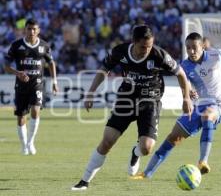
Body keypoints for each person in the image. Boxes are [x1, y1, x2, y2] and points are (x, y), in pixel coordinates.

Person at [71, 25, 193, 190]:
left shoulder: (159, 55)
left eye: (150, 46)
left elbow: (181, 74)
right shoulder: (119, 52)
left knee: (146, 148)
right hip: (126, 99)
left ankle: (136, 153)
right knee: (107, 141)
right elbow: (103, 70)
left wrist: (186, 98)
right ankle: (84, 181)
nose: (147, 50)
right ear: (134, 42)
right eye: (143, 46)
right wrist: (91, 92)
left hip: (150, 101)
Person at [130, 32, 221, 179]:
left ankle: (203, 162)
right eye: (188, 48)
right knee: (173, 137)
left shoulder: (217, 55)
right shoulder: (185, 65)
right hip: (198, 106)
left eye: (194, 47)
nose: (191, 51)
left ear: (202, 46)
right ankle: (146, 173)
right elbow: (184, 81)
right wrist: (189, 92)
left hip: (218, 105)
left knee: (208, 115)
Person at [4, 18, 58, 155]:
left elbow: (51, 63)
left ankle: (30, 142)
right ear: (25, 29)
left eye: (35, 29)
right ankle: (23, 145)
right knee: (21, 117)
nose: (32, 31)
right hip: (21, 87)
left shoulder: (44, 46)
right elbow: (6, 66)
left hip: (37, 84)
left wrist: (54, 82)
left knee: (35, 110)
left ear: (38, 30)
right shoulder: (16, 45)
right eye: (29, 29)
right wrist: (18, 73)